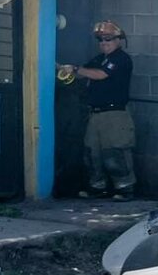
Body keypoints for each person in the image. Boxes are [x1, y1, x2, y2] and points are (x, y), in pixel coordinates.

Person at [58, 20, 136, 201]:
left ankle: (125, 188)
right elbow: (84, 71)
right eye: (100, 40)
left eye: (108, 39)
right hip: (96, 113)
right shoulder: (99, 59)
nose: (104, 43)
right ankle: (97, 187)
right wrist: (68, 70)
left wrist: (77, 69)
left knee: (116, 152)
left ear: (118, 40)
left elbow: (100, 75)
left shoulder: (121, 59)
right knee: (92, 152)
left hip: (115, 115)